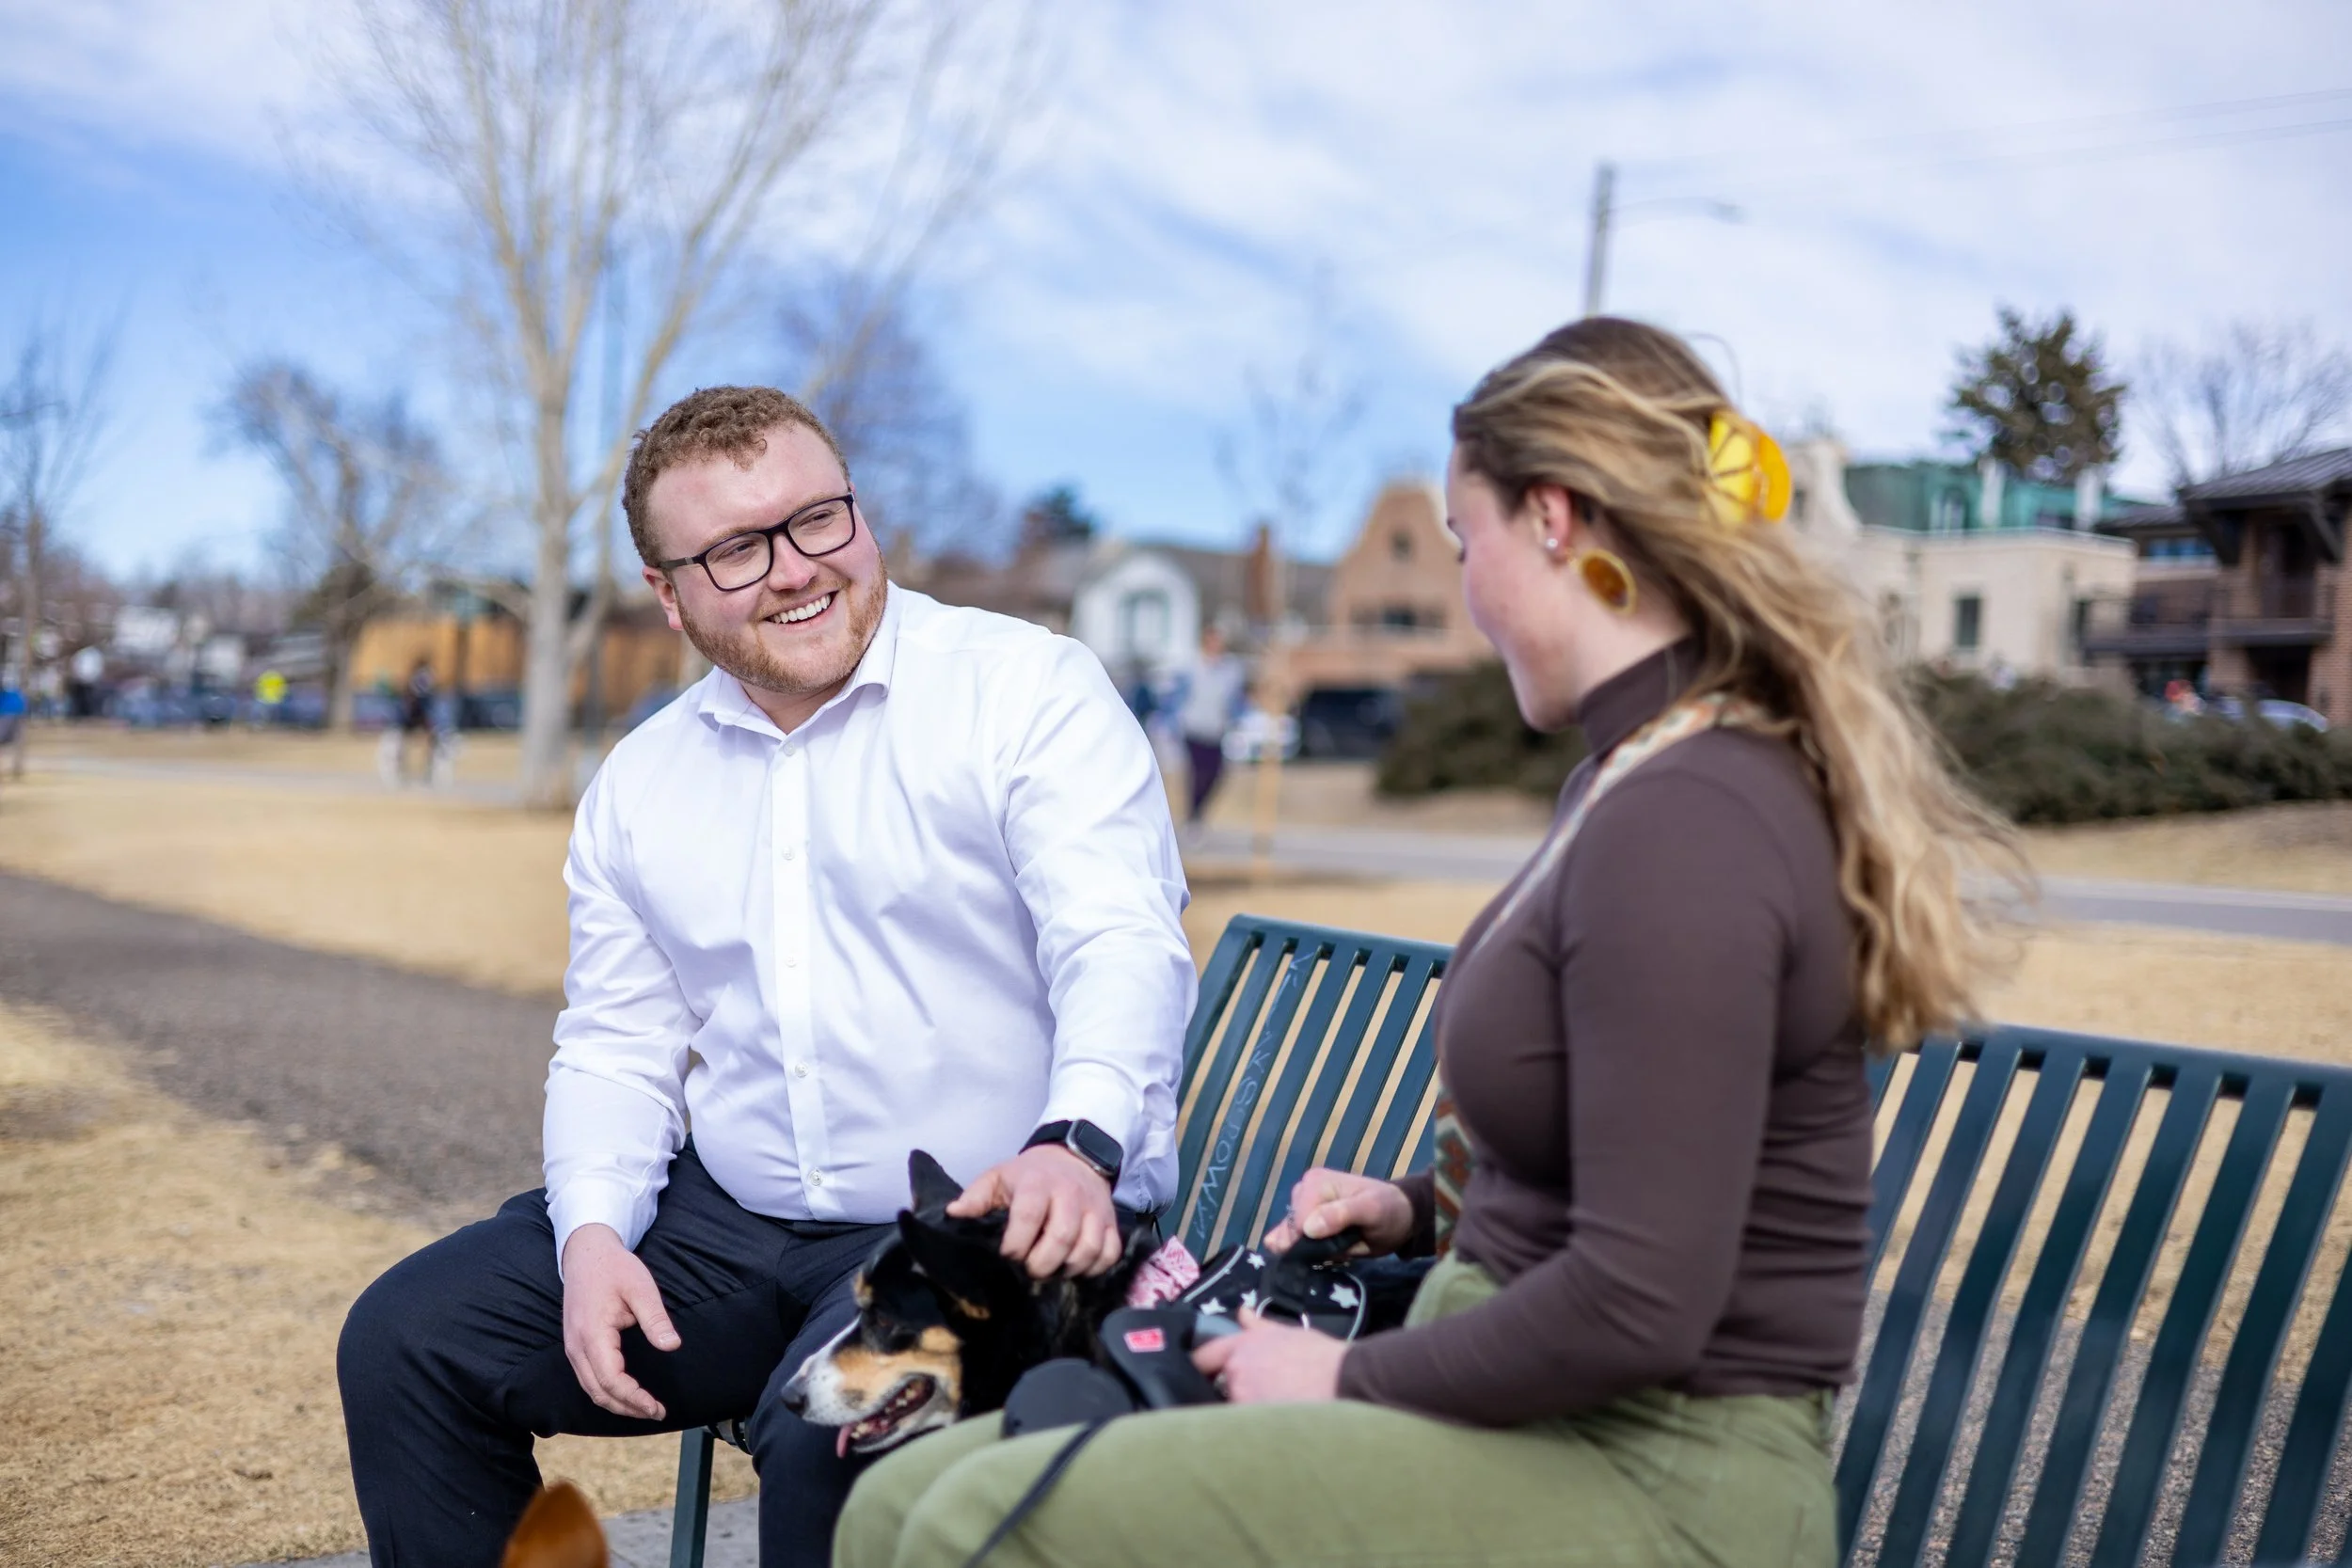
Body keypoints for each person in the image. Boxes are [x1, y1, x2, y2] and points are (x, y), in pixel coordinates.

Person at [834, 318, 2021, 1568]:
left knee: (967, 1523)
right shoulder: (1633, 779)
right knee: (901, 1498)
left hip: (1655, 1471)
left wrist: (1340, 1377)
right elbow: (1617, 1156)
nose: (1467, 589)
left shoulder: (1691, 817)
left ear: (1552, 518)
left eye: (1467, 541)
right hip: (1534, 1401)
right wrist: (1408, 1206)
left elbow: (1643, 1299)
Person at [336, 386, 1194, 1568]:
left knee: (834, 1434)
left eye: (818, 518)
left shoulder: (1025, 690)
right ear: (669, 594)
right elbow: (617, 1042)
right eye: (738, 548)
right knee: (409, 1339)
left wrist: (1080, 1143)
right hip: (726, 1231)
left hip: (986, 1225)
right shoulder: (643, 781)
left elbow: (1117, 938)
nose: (796, 569)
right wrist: (592, 1234)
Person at [1172, 624, 1247, 828]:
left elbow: (1236, 699)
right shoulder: (1191, 667)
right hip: (1193, 727)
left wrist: (1238, 718)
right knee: (1197, 774)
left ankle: (1197, 812)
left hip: (1216, 729)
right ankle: (1192, 816)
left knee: (1215, 773)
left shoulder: (1230, 670)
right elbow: (1178, 697)